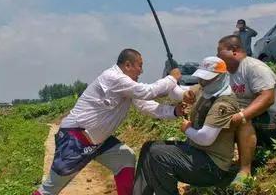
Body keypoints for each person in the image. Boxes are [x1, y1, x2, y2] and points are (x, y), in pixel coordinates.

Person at [32, 49, 183, 195]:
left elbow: (146, 106)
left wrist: (174, 112)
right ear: (128, 65)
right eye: (140, 65)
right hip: (76, 139)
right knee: (50, 188)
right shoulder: (113, 77)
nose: (141, 71)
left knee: (125, 157)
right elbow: (147, 91)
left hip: (99, 142)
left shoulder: (128, 86)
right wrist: (172, 78)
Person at [133, 56, 239, 195]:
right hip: (197, 153)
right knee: (149, 147)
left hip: (212, 167)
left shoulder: (223, 103)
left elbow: (206, 138)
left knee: (157, 155)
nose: (202, 82)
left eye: (207, 79)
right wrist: (173, 80)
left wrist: (187, 129)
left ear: (222, 77)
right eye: (202, 78)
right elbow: (178, 93)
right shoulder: (205, 89)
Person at [216, 35, 276, 184]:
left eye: (219, 52)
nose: (217, 57)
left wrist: (241, 116)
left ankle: (245, 171)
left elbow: (267, 98)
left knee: (242, 118)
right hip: (257, 123)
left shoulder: (253, 67)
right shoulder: (229, 74)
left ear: (234, 51)